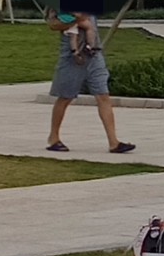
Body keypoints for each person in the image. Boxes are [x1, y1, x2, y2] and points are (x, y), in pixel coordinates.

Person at [46, 9, 135, 154]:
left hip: (94, 54)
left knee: (103, 95)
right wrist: (78, 20)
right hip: (72, 56)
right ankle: (54, 138)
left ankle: (114, 142)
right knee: (65, 97)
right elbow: (53, 25)